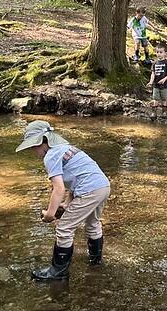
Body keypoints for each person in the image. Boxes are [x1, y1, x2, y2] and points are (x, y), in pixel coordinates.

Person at [16, 120, 111, 281]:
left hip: (89, 191)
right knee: (92, 223)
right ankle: (95, 262)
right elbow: (77, 179)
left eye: (33, 146)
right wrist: (67, 204)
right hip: (103, 186)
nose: (33, 151)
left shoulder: (51, 156)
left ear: (43, 141)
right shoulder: (67, 149)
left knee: (64, 229)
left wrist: (50, 214)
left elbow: (58, 188)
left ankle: (58, 272)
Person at [149, 44, 167, 120]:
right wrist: (151, 82)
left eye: (161, 52)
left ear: (165, 53)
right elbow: (153, 73)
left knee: (164, 99)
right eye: (157, 52)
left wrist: (164, 79)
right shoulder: (154, 63)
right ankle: (154, 113)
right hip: (156, 85)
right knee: (155, 99)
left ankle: (164, 112)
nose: (159, 54)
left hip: (165, 85)